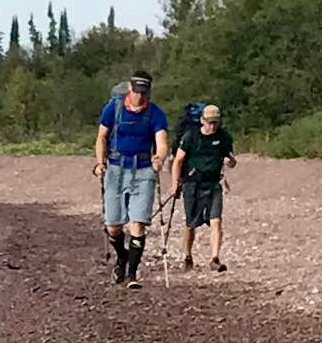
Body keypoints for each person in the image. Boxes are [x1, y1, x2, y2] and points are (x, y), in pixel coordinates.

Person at [93, 68, 168, 286]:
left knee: (138, 223)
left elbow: (162, 142)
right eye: (136, 91)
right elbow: (102, 137)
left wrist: (159, 158)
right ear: (130, 89)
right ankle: (122, 257)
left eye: (144, 92)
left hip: (143, 170)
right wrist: (100, 162)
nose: (139, 96)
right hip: (116, 168)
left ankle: (132, 274)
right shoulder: (113, 108)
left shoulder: (155, 113)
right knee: (113, 225)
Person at [176, 97, 236, 271]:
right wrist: (175, 183)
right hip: (192, 184)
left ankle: (215, 258)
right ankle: (187, 255)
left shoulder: (224, 137)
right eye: (210, 122)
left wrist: (230, 161)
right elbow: (178, 160)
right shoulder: (191, 136)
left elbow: (232, 160)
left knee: (216, 221)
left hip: (213, 184)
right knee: (191, 223)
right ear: (202, 121)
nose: (212, 126)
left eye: (215, 123)